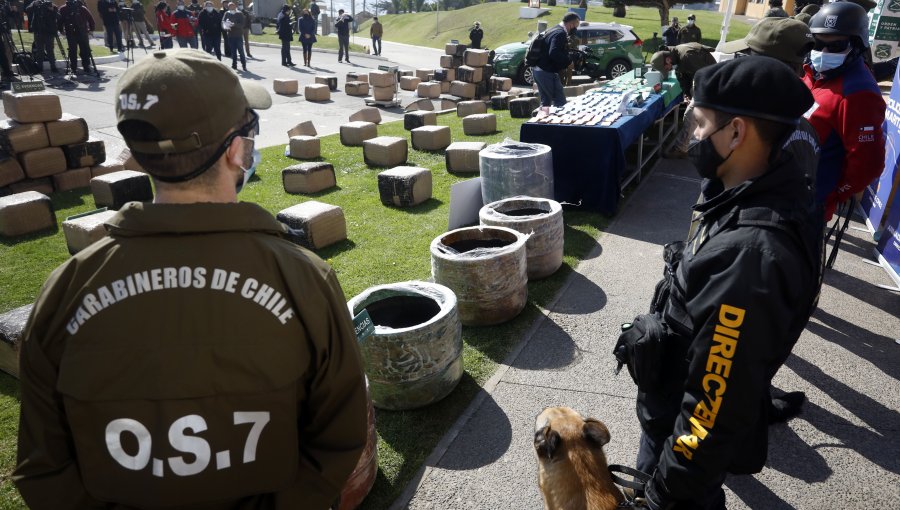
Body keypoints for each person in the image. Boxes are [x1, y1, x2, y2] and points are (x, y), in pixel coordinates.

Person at [12, 48, 369, 510]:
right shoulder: (305, 278)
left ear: (138, 156)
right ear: (238, 150)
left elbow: (43, 468)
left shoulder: (64, 289)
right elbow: (339, 439)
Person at [624, 56, 821, 510]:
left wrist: (664, 494)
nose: (692, 137)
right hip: (667, 408)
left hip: (679, 458)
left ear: (736, 132)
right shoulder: (744, 188)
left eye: (698, 124)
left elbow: (711, 407)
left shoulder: (749, 257)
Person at [720, 15, 821, 422]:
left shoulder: (776, 135)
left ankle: (748, 409)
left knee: (744, 348)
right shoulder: (790, 126)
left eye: (751, 58)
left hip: (753, 269)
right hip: (752, 262)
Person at [804, 1, 886, 221]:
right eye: (818, 43)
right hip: (785, 187)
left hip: (809, 204)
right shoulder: (814, 71)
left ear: (857, 46)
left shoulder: (859, 92)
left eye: (836, 46)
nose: (824, 52)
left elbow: (868, 163)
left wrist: (833, 194)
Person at [650, 43, 716, 159]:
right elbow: (682, 77)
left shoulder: (687, 56)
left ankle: (681, 149)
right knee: (693, 112)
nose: (668, 70)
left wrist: (697, 100)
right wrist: (687, 94)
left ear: (668, 60)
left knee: (690, 115)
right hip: (701, 79)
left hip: (710, 81)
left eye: (666, 68)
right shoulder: (677, 56)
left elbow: (705, 76)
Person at [533, 12, 580, 117]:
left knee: (546, 102)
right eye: (576, 26)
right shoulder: (560, 33)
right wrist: (568, 62)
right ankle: (560, 124)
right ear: (571, 24)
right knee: (560, 101)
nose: (575, 29)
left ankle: (542, 123)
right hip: (546, 71)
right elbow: (553, 52)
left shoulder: (553, 29)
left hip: (538, 70)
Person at [58, 0, 95, 74]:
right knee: (75, 51)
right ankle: (77, 68)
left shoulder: (81, 8)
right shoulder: (63, 9)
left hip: (80, 32)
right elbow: (60, 21)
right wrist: (61, 30)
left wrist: (91, 30)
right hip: (74, 33)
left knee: (82, 50)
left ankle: (83, 67)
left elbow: (90, 19)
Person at [25, 0, 59, 74]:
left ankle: (53, 67)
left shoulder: (51, 6)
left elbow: (58, 16)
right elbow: (27, 10)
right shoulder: (37, 5)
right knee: (39, 51)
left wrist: (52, 9)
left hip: (49, 33)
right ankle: (39, 68)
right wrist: (34, 4)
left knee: (50, 50)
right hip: (38, 32)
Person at [222, 1, 245, 71]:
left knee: (241, 51)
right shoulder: (227, 13)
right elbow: (223, 21)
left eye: (232, 6)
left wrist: (234, 24)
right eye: (229, 6)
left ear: (235, 6)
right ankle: (234, 65)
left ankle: (244, 65)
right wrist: (226, 26)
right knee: (233, 52)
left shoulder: (239, 13)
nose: (231, 7)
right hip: (230, 35)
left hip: (238, 35)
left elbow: (242, 24)